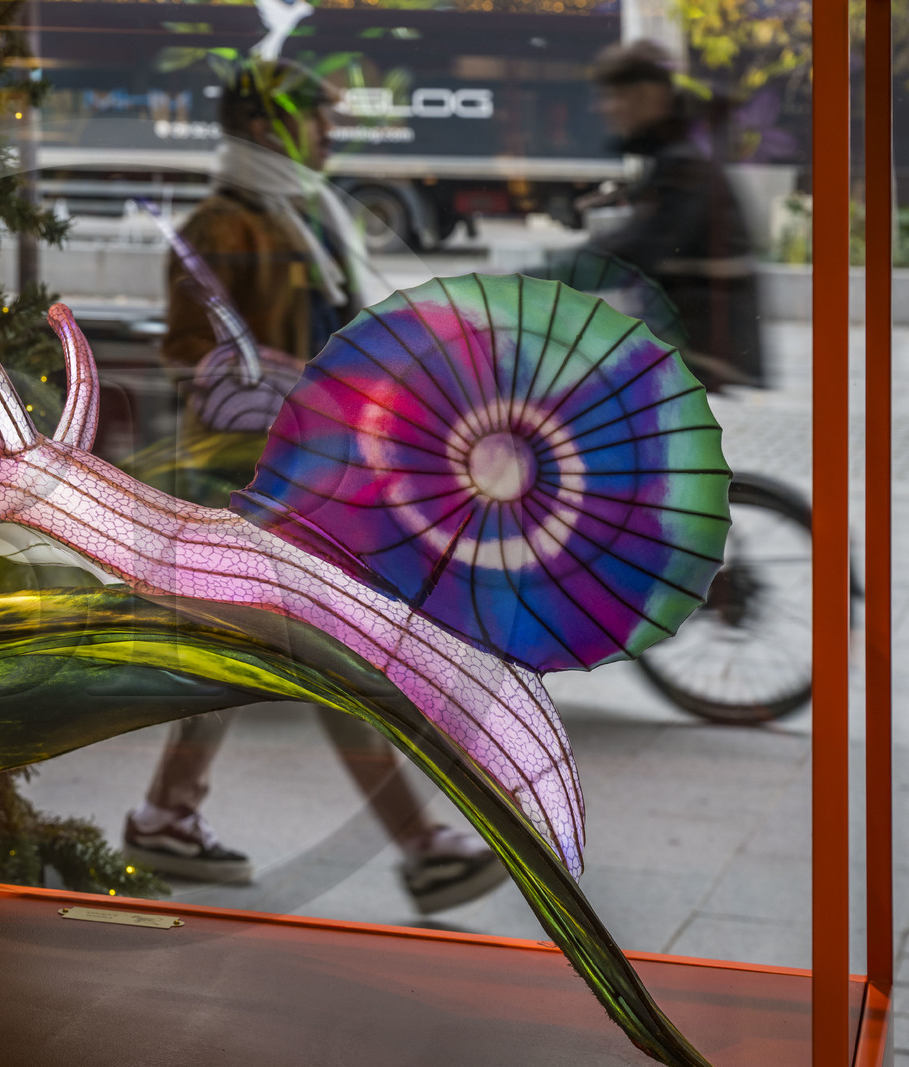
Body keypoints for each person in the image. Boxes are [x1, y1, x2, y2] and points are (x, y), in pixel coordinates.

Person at [123, 59, 509, 916]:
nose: (330, 133)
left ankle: (165, 816)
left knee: (269, 652)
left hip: (321, 472)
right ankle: (423, 847)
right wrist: (282, 378)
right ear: (266, 126)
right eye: (316, 118)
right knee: (333, 653)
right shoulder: (223, 223)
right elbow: (191, 352)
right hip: (255, 475)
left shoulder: (310, 213)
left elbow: (348, 330)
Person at [578, 40, 765, 391]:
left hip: (705, 342)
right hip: (690, 333)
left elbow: (642, 244)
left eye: (615, 95)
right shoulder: (673, 155)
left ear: (648, 95)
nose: (605, 108)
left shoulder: (681, 161)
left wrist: (542, 276)